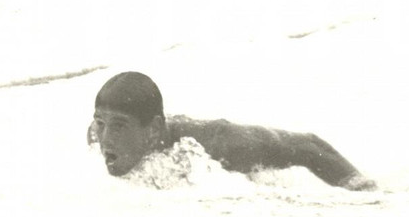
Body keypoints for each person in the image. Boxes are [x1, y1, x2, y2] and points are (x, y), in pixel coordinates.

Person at [86, 71, 377, 191]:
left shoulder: (220, 146)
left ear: (153, 130)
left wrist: (364, 192)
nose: (106, 138)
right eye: (101, 123)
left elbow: (309, 146)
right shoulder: (97, 133)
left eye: (119, 127)